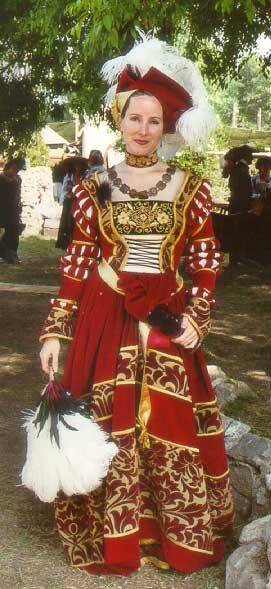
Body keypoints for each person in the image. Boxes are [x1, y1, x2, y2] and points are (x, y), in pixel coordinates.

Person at [39, 33, 234, 576]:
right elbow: (78, 263)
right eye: (134, 118)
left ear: (166, 126)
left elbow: (203, 261)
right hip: (107, 318)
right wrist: (56, 331)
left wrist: (198, 317)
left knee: (168, 421)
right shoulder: (91, 188)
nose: (143, 130)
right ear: (118, 119)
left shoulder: (190, 187)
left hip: (167, 318)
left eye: (154, 121)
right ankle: (119, 539)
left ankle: (173, 539)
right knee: (111, 424)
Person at [0, 159, 24, 263]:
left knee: (13, 233)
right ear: (8, 167)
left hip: (13, 209)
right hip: (1, 208)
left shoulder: (18, 179)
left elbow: (17, 193)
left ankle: (12, 254)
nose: (16, 171)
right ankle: (5, 253)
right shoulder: (1, 177)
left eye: (17, 169)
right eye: (14, 168)